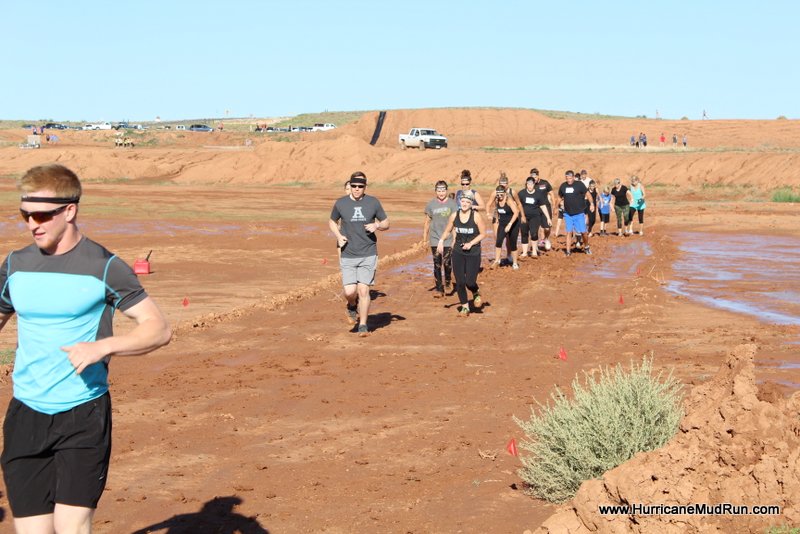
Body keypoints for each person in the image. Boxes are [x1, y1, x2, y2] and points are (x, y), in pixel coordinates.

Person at [0, 164, 172, 532]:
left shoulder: (104, 267)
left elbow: (158, 328)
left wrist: (103, 347)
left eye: (42, 215)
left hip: (82, 412)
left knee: (72, 526)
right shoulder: (15, 265)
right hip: (25, 413)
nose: (32, 225)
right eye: (25, 215)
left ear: (70, 211)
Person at [329, 171, 389, 337]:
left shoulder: (373, 202)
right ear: (350, 186)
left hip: (368, 252)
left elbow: (386, 222)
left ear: (365, 187)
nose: (356, 189)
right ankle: (351, 305)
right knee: (350, 292)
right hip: (348, 253)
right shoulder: (341, 203)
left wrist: (377, 226)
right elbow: (332, 221)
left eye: (360, 186)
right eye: (354, 186)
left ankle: (363, 324)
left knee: (363, 291)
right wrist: (338, 236)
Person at [438, 191, 486, 317]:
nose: (464, 204)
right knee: (460, 281)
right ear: (459, 202)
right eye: (463, 201)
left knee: (470, 282)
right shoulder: (454, 215)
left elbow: (483, 234)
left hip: (473, 252)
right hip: (458, 252)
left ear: (471, 204)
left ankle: (475, 291)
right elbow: (447, 230)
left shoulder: (476, 216)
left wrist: (471, 243)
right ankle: (465, 307)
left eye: (467, 202)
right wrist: (441, 241)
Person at [423, 180, 458, 298]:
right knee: (437, 264)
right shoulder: (431, 204)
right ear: (435, 191)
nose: (441, 193)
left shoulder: (452, 204)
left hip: (448, 238)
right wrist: (424, 239)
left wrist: (455, 238)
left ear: (446, 191)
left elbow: (455, 223)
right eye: (439, 190)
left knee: (447, 263)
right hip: (434, 238)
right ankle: (439, 289)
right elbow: (427, 222)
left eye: (443, 190)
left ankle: (448, 282)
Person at [558, 170, 594, 256]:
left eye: (570, 178)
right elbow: (559, 197)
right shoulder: (563, 186)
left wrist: (592, 204)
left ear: (574, 177)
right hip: (568, 214)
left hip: (579, 213)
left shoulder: (579, 185)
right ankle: (568, 251)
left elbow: (588, 194)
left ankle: (586, 247)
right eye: (567, 178)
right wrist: (555, 207)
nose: (569, 180)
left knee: (583, 232)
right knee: (569, 232)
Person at [517, 175, 549, 258]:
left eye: (531, 184)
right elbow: (517, 205)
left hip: (535, 217)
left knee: (534, 233)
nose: (530, 186)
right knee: (524, 233)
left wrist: (548, 218)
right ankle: (524, 252)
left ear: (534, 184)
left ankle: (534, 251)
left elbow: (543, 206)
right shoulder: (521, 193)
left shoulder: (539, 194)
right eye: (528, 184)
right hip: (523, 217)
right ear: (526, 184)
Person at [489, 186, 520, 270]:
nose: (499, 197)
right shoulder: (497, 200)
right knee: (498, 241)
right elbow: (497, 210)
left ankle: (515, 263)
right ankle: (497, 261)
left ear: (505, 193)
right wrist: (496, 219)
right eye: (498, 195)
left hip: (513, 224)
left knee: (512, 244)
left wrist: (510, 224)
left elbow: (516, 213)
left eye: (501, 195)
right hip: (502, 224)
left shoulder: (509, 200)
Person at [530, 168, 554, 250]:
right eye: (532, 177)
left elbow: (551, 193)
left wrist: (554, 205)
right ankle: (537, 244)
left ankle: (546, 239)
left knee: (547, 227)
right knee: (537, 228)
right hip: (535, 208)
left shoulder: (545, 183)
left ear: (538, 176)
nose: (534, 179)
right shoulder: (530, 184)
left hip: (546, 207)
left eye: (535, 177)